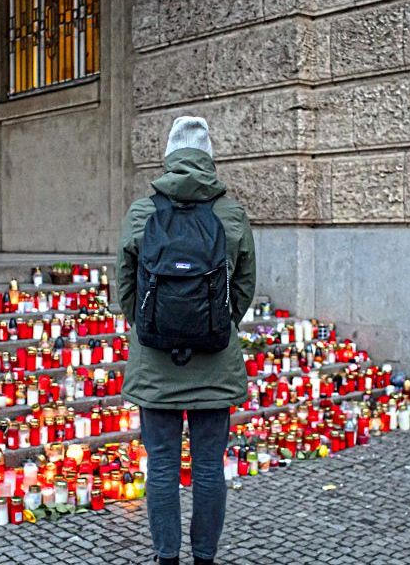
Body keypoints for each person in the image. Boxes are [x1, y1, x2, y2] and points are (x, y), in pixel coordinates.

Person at [117, 116, 257, 565]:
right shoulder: (231, 214)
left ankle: (166, 558)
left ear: (169, 158)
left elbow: (123, 285)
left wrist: (148, 326)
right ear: (209, 159)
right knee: (209, 467)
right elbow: (245, 286)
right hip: (214, 363)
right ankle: (204, 559)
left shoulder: (142, 213)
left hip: (156, 362)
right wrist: (216, 324)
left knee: (160, 466)